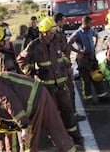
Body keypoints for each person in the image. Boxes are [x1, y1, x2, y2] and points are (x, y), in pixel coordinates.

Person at [0, 72, 77, 152]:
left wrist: (24, 127)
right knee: (55, 128)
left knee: (28, 143)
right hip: (39, 92)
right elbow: (1, 115)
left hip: (31, 103)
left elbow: (9, 101)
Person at [17, 17, 84, 146]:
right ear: (44, 32)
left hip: (61, 84)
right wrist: (34, 71)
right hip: (46, 87)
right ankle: (57, 141)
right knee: (52, 115)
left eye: (54, 31)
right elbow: (21, 61)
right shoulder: (34, 45)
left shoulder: (57, 41)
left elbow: (65, 52)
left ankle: (76, 138)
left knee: (68, 111)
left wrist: (66, 64)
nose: (53, 34)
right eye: (51, 31)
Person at [68, 16, 110, 104]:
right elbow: (69, 43)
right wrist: (78, 51)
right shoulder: (78, 33)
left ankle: (102, 97)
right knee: (86, 80)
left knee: (98, 77)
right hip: (84, 59)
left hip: (92, 57)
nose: (91, 25)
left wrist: (94, 46)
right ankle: (88, 99)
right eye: (89, 23)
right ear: (85, 23)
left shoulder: (90, 30)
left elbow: (96, 35)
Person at [53, 13, 86, 121]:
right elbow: (62, 52)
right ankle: (72, 116)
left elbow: (66, 46)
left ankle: (68, 115)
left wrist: (78, 51)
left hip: (61, 67)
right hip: (63, 68)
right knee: (69, 91)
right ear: (58, 21)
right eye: (63, 20)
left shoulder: (58, 33)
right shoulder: (56, 35)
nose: (65, 22)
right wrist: (67, 66)